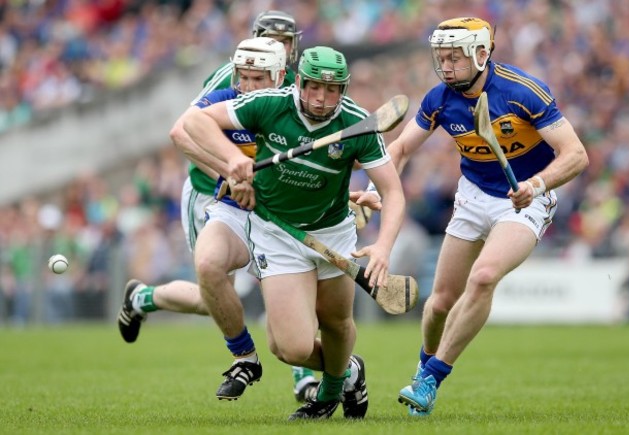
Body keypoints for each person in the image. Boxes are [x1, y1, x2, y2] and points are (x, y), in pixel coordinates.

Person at [355, 17, 589, 416]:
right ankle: (424, 364)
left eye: (454, 58)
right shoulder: (439, 99)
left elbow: (577, 155)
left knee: (483, 277)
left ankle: (431, 379)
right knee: (440, 303)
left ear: (482, 54)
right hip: (474, 195)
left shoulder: (522, 92)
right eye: (440, 58)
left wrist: (534, 185)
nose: (445, 66)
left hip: (526, 199)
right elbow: (402, 149)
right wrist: (375, 189)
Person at [181, 46, 406, 420]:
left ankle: (329, 394)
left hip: (332, 232)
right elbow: (194, 123)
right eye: (314, 87)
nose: (322, 98)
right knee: (291, 349)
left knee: (335, 321)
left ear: (344, 90)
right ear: (298, 81)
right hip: (277, 235)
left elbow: (394, 191)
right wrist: (232, 157)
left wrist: (383, 247)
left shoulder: (357, 124)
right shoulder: (270, 104)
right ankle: (349, 371)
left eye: (332, 90)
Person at [117, 35, 317, 402]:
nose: (247, 87)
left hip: (280, 217)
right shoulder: (226, 95)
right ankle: (246, 357)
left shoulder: (300, 104)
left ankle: (320, 375)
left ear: (280, 74)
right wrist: (229, 172)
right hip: (222, 205)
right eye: (244, 77)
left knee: (273, 298)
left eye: (257, 79)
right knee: (212, 281)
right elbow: (184, 128)